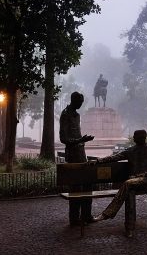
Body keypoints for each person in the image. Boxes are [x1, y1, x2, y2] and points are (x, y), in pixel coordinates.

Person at [92, 129, 147, 237]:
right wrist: (98, 161)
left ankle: (107, 213)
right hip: (133, 183)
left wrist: (138, 176)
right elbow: (113, 158)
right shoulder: (130, 151)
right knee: (129, 191)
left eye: (135, 136)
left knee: (128, 184)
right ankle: (129, 229)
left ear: (142, 137)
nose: (133, 138)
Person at [59, 91, 94, 226]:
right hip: (73, 156)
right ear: (73, 101)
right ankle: (74, 219)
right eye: (79, 103)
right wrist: (81, 139)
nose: (80, 105)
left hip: (81, 154)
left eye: (81, 103)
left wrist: (83, 140)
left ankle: (86, 215)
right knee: (75, 188)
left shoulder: (77, 115)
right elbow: (63, 138)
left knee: (87, 185)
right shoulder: (65, 114)